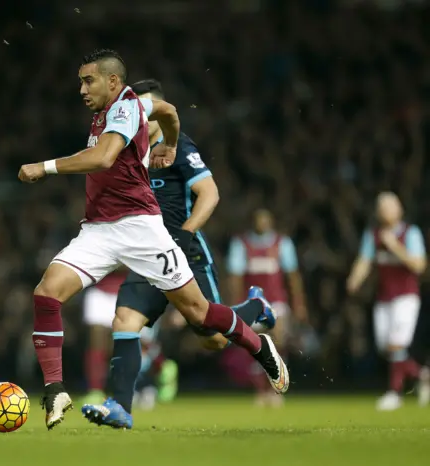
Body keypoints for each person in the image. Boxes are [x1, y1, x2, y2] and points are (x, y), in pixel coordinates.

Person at [18, 50, 288, 430]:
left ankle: (259, 346)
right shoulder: (124, 109)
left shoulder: (127, 106)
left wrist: (44, 167)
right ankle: (59, 390)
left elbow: (104, 157)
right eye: (80, 80)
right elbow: (171, 112)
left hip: (142, 230)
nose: (81, 89)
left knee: (199, 316)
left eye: (88, 80)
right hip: (99, 229)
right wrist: (169, 143)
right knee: (48, 293)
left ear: (113, 81)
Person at [81, 79, 277, 427]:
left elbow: (210, 193)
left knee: (214, 340)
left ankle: (255, 307)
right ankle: (121, 407)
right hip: (145, 249)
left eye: (144, 110)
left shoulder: (179, 148)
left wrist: (185, 235)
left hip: (184, 249)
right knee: (125, 321)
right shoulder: (128, 149)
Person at [347, 192, 430, 411]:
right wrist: (355, 278)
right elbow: (365, 260)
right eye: (381, 207)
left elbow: (419, 265)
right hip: (384, 298)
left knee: (396, 345)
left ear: (399, 209)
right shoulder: (372, 235)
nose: (385, 211)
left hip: (406, 297)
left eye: (389, 207)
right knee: (387, 348)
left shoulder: (410, 233)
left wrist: (395, 247)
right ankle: (422, 375)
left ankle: (394, 393)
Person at [226, 209, 307, 407]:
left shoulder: (282, 243)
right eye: (258, 220)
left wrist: (299, 303)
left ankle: (275, 389)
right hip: (253, 302)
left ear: (271, 222)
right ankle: (261, 390)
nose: (262, 224)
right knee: (255, 345)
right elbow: (234, 276)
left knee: (278, 340)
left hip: (277, 301)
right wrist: (235, 303)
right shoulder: (241, 244)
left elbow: (292, 276)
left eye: (265, 220)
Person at [81, 270, 127, 405]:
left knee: (126, 344)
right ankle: (95, 390)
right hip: (99, 292)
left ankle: (160, 365)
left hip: (126, 291)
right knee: (96, 342)